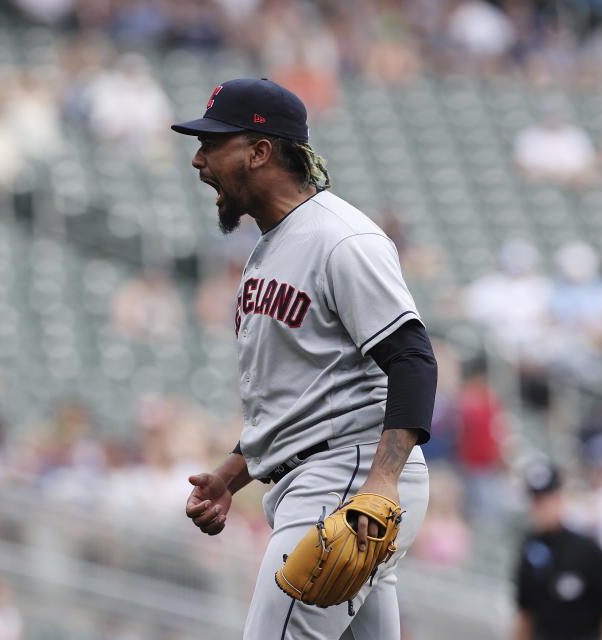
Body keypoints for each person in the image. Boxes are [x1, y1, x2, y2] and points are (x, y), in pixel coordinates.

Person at [173, 78, 436, 639]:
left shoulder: (341, 239)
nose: (198, 159)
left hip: (347, 479)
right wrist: (230, 477)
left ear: (259, 151)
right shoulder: (270, 248)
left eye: (212, 143)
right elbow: (302, 398)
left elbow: (412, 358)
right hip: (326, 475)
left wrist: (380, 483)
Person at [511, 462, 602, 640]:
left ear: (559, 498)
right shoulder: (529, 548)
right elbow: (526, 614)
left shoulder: (587, 549)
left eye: (546, 499)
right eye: (535, 501)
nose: (540, 508)